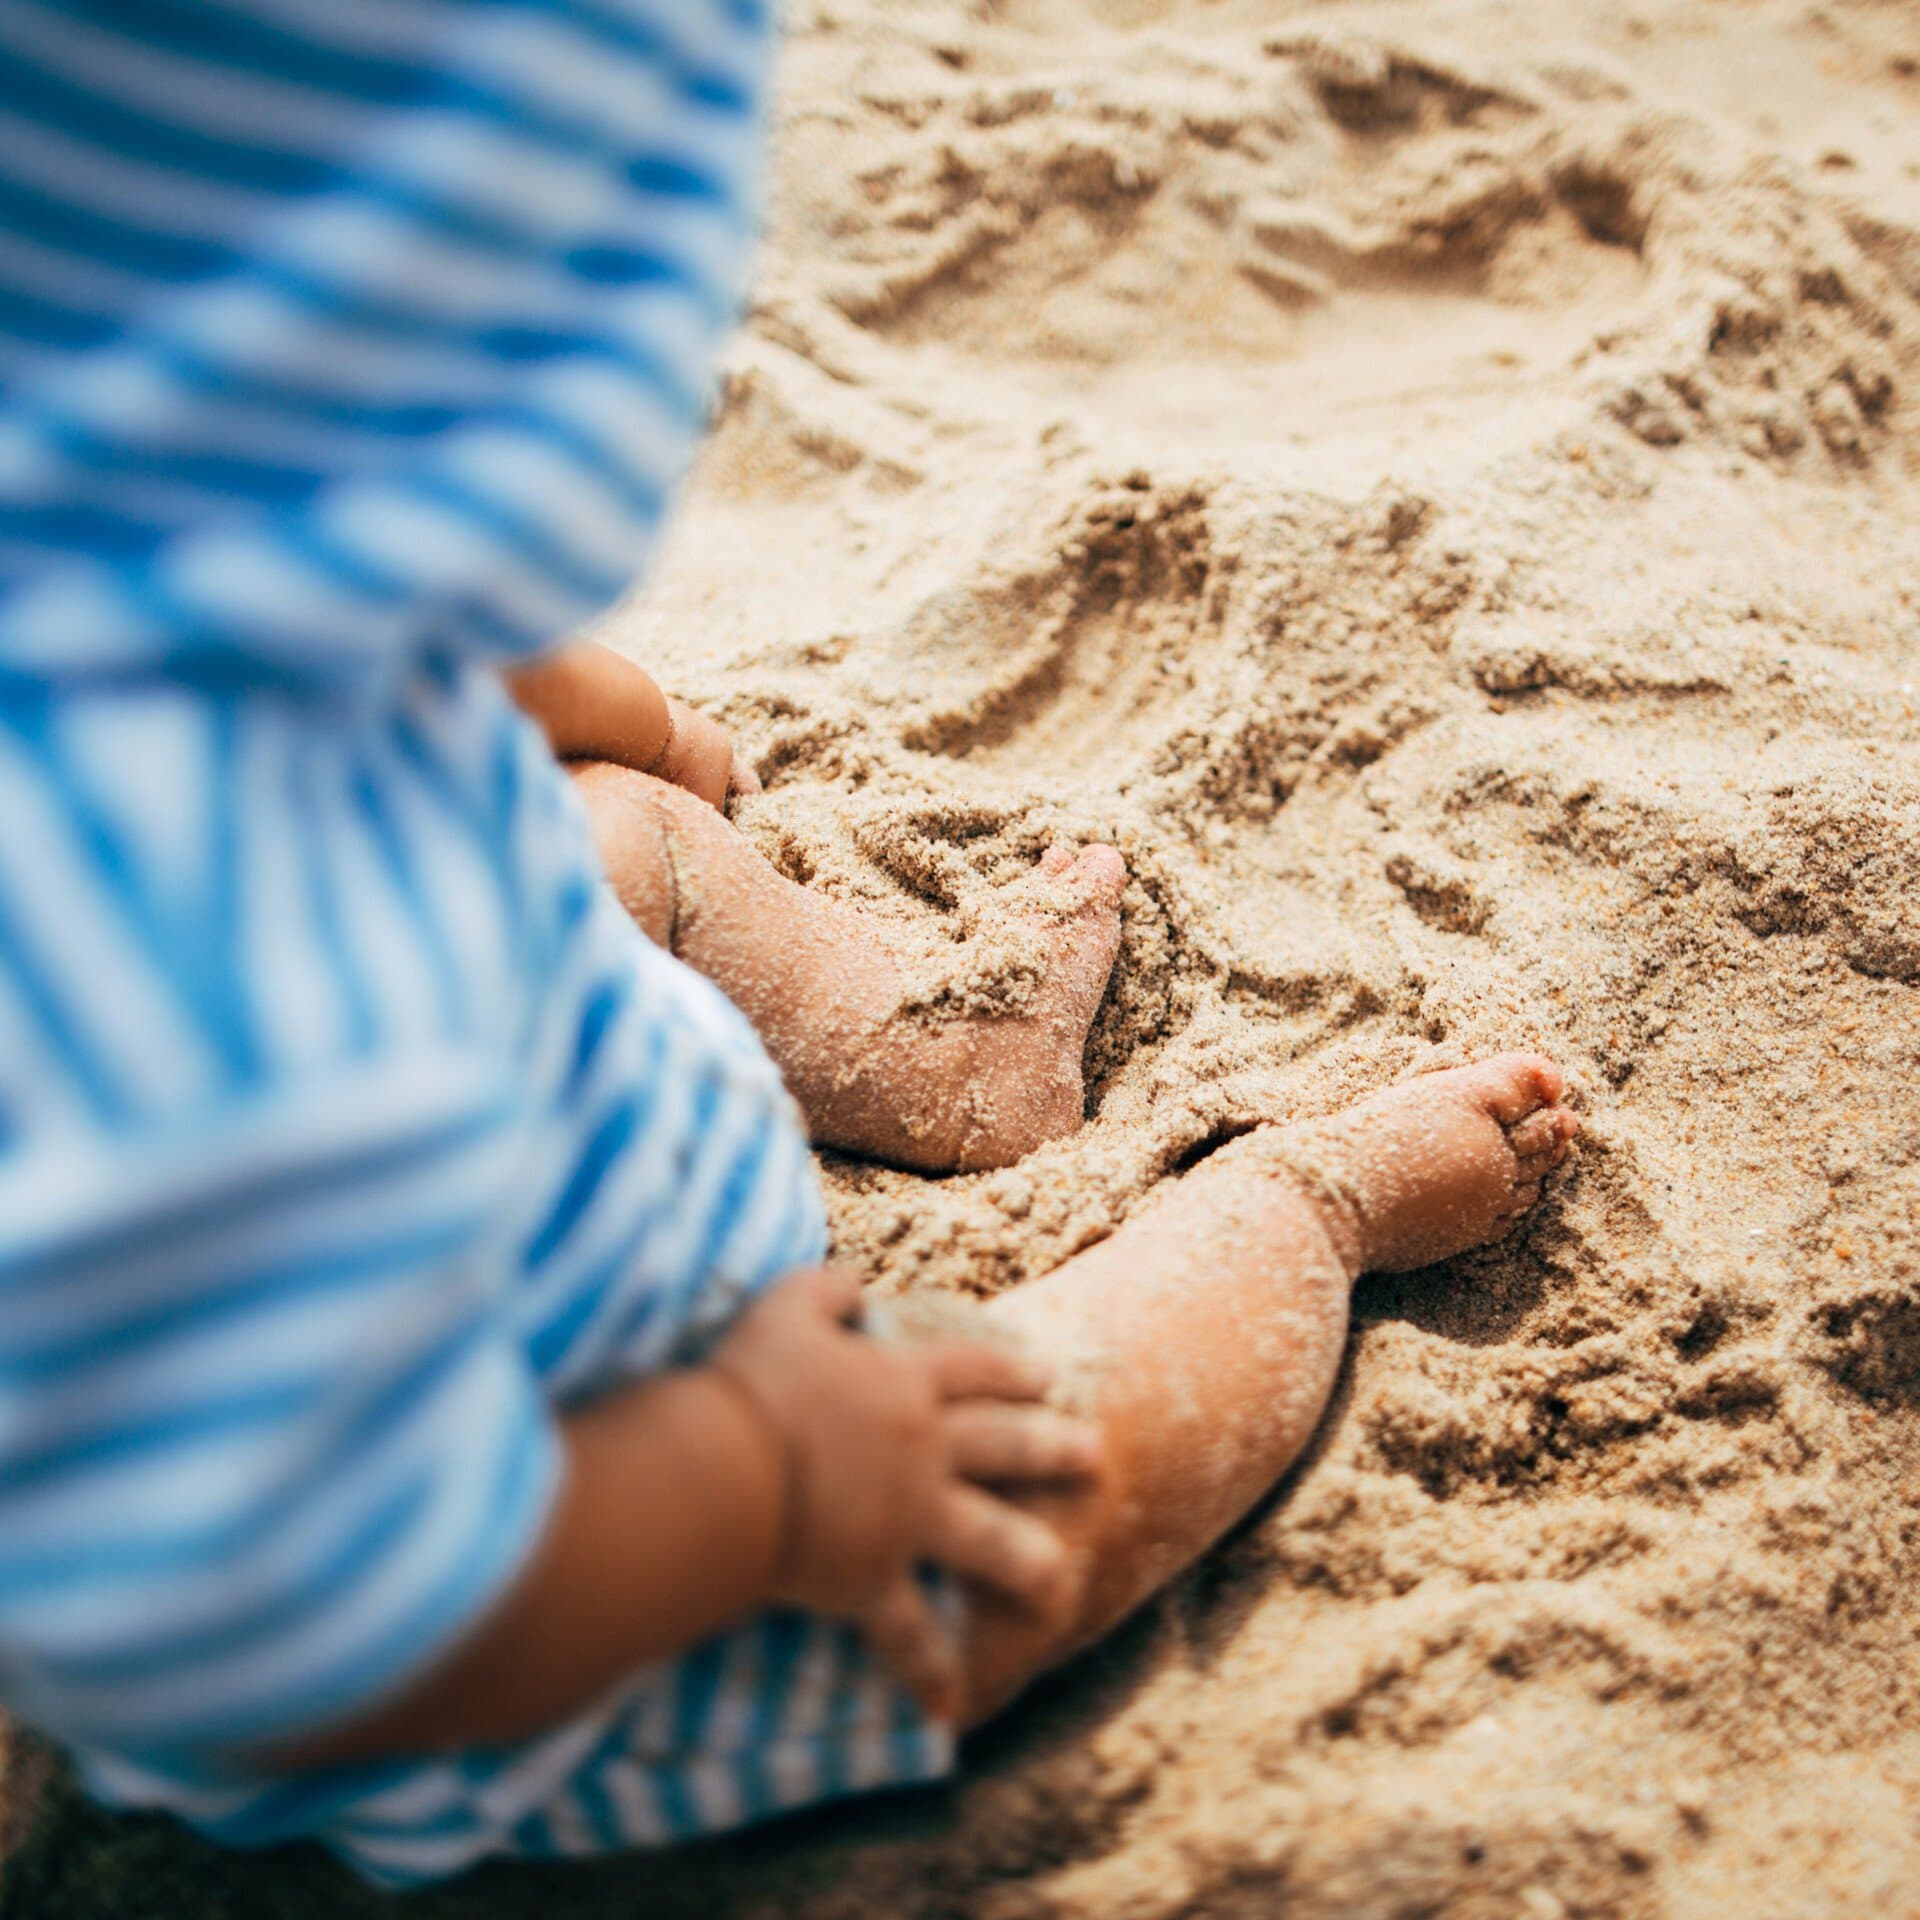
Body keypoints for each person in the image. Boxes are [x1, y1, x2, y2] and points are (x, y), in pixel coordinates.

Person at [0, 0, 1578, 1887]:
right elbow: (305, 1629)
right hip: (547, 1588)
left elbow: (424, 656)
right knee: (1010, 1526)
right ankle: (1308, 1212)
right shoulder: (153, 1031)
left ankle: (944, 1059)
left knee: (620, 830)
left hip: (518, 1126)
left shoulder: (142, 565)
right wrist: (765, 1472)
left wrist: (612, 719)